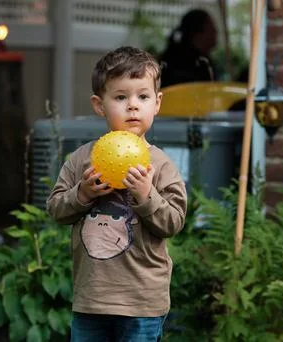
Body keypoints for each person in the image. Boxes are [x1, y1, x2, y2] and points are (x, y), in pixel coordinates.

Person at [46, 46, 187, 342]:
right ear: (99, 105)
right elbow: (56, 210)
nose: (133, 106)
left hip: (142, 301)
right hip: (92, 299)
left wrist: (146, 194)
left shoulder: (160, 164)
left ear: (157, 103)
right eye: (121, 97)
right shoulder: (81, 160)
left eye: (143, 96)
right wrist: (82, 193)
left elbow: (173, 222)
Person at [159, 8, 218, 88]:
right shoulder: (182, 62)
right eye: (212, 28)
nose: (216, 31)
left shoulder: (174, 55)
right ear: (198, 33)